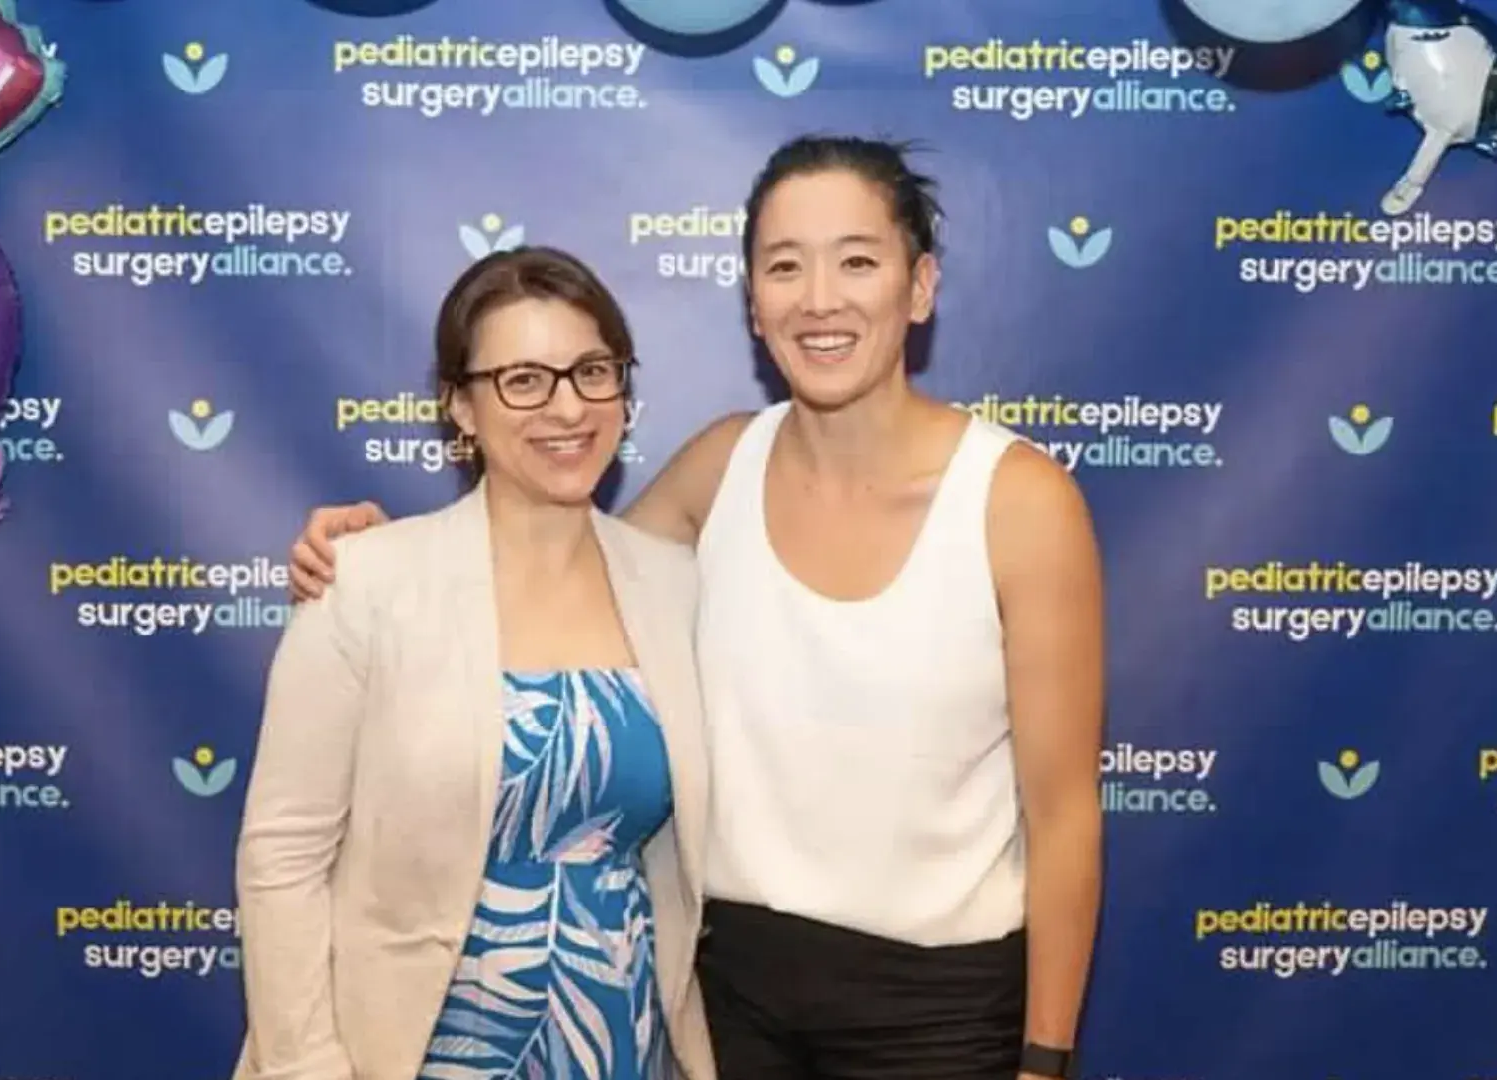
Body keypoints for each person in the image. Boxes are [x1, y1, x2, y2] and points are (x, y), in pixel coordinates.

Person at [284, 135, 1105, 1080]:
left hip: (942, 1014)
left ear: (919, 287)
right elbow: (552, 584)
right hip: (728, 1003)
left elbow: (1064, 816)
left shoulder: (1018, 503)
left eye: (857, 261)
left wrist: (1045, 1061)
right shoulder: (721, 468)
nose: (820, 299)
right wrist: (383, 561)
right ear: (754, 303)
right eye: (785, 266)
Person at [232, 246, 717, 1080]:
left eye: (592, 371)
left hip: (617, 1043)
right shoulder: (367, 581)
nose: (568, 406)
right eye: (523, 380)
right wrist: (306, 1064)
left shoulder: (677, 586)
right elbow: (282, 856)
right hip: (408, 1054)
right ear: (461, 405)